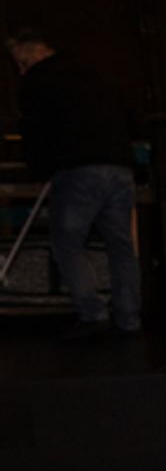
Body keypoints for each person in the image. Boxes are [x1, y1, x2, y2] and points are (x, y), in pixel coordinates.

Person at [5, 29, 140, 337]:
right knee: (121, 246)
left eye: (21, 61)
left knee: (66, 242)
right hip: (119, 165)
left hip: (78, 168)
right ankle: (129, 317)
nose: (21, 68)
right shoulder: (95, 74)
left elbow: (35, 130)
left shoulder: (39, 81)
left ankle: (91, 313)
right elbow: (131, 117)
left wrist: (39, 169)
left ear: (31, 53)